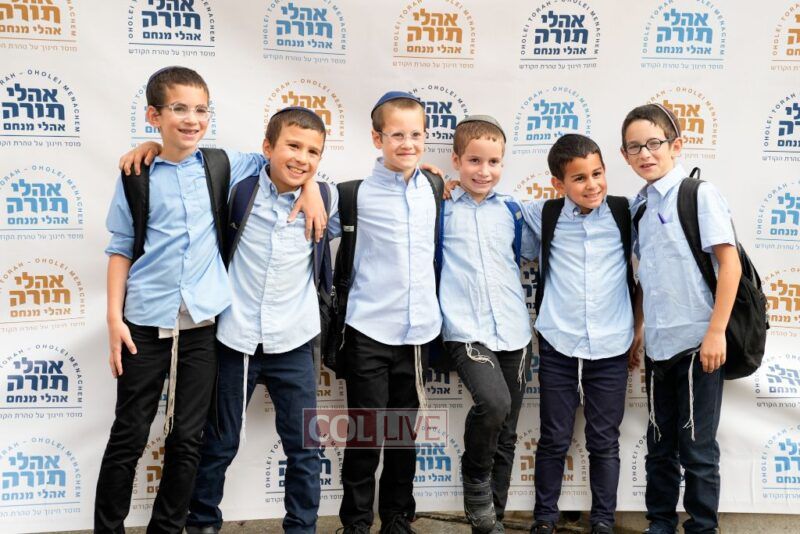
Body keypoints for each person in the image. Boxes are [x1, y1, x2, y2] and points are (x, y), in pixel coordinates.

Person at [96, 66, 268, 534]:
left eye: (200, 109)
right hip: (144, 323)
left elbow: (283, 160)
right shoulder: (137, 175)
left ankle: (168, 529)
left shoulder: (222, 164)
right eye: (179, 109)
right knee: (129, 434)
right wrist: (114, 319)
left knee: (189, 438)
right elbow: (120, 248)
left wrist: (312, 189)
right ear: (154, 115)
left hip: (202, 328)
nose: (192, 119)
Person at [184, 107, 335, 534]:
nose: (302, 158)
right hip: (236, 338)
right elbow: (186, 153)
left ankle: (301, 527)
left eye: (313, 152)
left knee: (304, 447)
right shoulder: (239, 186)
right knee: (219, 442)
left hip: (294, 340)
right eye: (292, 146)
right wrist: (148, 146)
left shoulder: (328, 197)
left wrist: (311, 186)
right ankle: (202, 522)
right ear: (267, 147)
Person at [621, 103, 741, 534]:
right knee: (659, 444)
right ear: (624, 155)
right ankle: (660, 523)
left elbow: (730, 265)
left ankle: (703, 527)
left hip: (698, 344)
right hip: (659, 347)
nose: (645, 154)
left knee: (697, 448)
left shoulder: (698, 194)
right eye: (634, 147)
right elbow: (645, 278)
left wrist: (716, 332)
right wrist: (638, 330)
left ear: (676, 145)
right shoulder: (638, 208)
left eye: (653, 143)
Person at [522, 134, 640, 534]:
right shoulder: (543, 214)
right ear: (558, 183)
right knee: (553, 437)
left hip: (611, 345)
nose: (592, 185)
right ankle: (544, 518)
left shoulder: (626, 212)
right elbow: (488, 203)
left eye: (597, 173)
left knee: (604, 440)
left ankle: (603, 520)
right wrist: (445, 185)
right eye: (579, 178)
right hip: (559, 343)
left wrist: (638, 329)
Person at [336, 91, 442, 534]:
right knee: (366, 434)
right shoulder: (352, 195)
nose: (407, 143)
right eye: (397, 135)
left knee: (403, 436)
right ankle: (356, 522)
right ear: (377, 138)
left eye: (416, 134)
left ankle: (397, 517)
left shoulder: (434, 188)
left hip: (418, 335)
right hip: (369, 331)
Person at [438, 115, 535, 534]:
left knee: (508, 428)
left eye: (493, 162)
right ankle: (476, 483)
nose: (484, 171)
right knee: (493, 404)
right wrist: (432, 179)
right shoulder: (439, 207)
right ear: (457, 160)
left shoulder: (513, 210)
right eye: (474, 161)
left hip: (514, 330)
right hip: (466, 328)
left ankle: (491, 520)